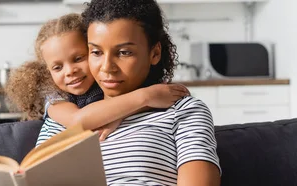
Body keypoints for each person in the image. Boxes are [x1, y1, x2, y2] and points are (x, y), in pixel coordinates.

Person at [81, 0, 221, 185]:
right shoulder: (74, 114)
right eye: (97, 52)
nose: (107, 68)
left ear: (154, 53)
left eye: (124, 52)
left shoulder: (184, 110)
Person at [4, 13, 189, 146]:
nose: (70, 71)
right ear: (48, 71)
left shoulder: (110, 85)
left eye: (78, 58)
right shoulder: (54, 97)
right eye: (57, 67)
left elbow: (151, 99)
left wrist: (121, 113)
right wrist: (145, 97)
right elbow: (78, 120)